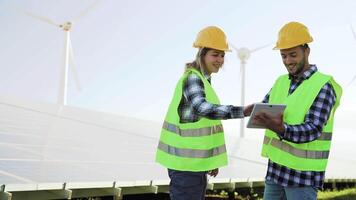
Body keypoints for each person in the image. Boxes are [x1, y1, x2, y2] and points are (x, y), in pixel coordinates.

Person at [248, 21, 343, 200]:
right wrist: (254, 113)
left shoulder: (323, 86)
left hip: (302, 178)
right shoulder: (280, 82)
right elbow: (265, 108)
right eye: (283, 56)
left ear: (307, 51)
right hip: (275, 171)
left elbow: (313, 129)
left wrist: (281, 129)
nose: (288, 61)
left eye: (293, 55)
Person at [155, 26, 250, 200]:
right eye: (215, 54)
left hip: (195, 165)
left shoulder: (205, 82)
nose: (220, 60)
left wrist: (211, 161)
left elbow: (204, 125)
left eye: (222, 55)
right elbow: (203, 109)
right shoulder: (193, 78)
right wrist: (242, 111)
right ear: (202, 54)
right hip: (186, 167)